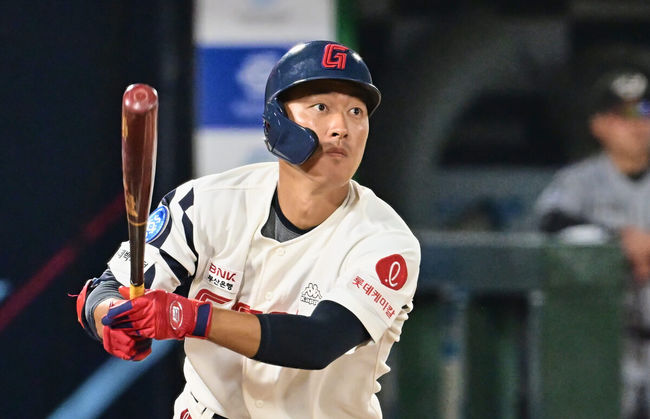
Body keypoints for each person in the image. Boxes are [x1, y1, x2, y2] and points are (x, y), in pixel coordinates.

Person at [75, 40, 421, 419]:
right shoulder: (206, 202)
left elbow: (319, 342)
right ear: (277, 120)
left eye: (356, 111)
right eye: (321, 107)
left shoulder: (385, 240)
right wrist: (110, 317)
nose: (341, 128)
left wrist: (191, 317)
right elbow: (106, 289)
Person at [534, 65, 650, 418]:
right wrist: (617, 239)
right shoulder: (578, 182)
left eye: (645, 112)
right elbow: (550, 223)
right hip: (604, 345)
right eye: (624, 114)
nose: (638, 124)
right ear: (599, 124)